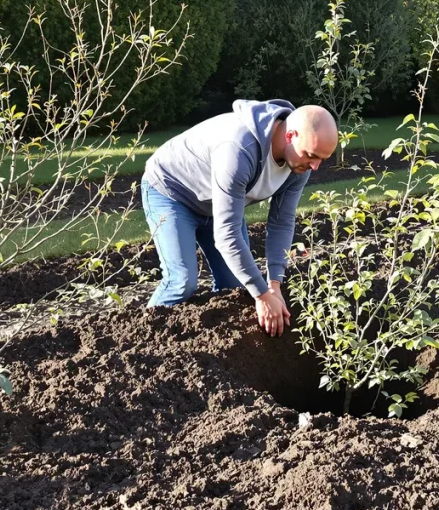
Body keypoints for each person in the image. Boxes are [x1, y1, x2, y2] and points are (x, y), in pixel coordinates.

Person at [140, 99, 337, 336]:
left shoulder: (300, 164)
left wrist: (274, 284)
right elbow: (227, 235)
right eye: (312, 155)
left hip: (218, 203)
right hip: (172, 192)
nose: (315, 166)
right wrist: (263, 296)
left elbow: (281, 222)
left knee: (235, 284)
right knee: (182, 281)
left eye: (321, 159)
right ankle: (143, 340)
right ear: (290, 135)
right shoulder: (239, 149)